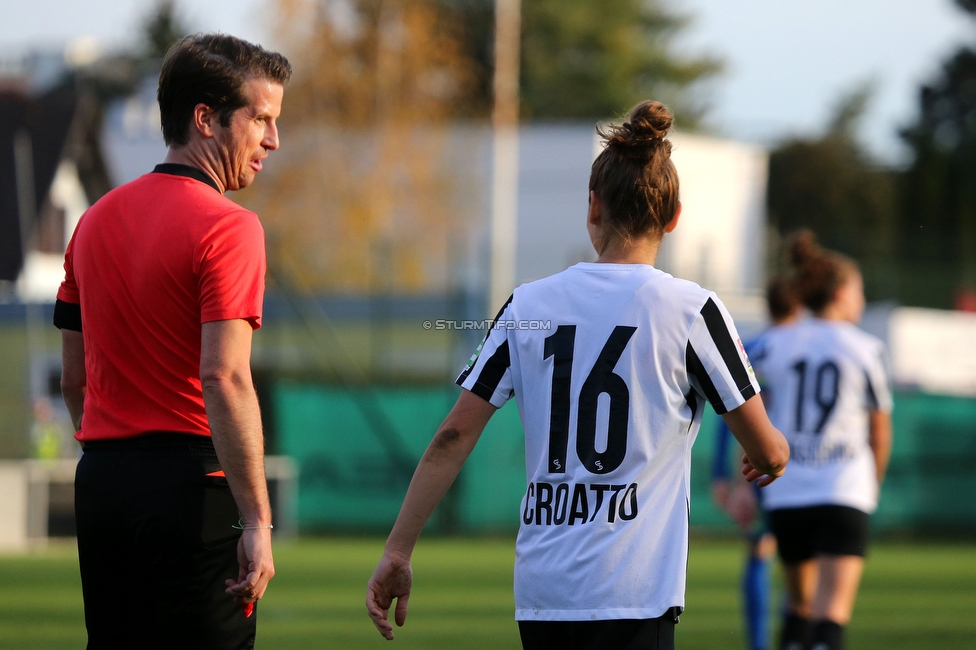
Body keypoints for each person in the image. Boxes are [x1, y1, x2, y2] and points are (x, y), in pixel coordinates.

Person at [366, 100, 790, 649]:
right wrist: (768, 451)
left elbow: (453, 435)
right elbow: (771, 452)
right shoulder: (693, 310)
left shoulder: (526, 305)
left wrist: (397, 551)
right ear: (675, 215)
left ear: (593, 207)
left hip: (545, 593)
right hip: (636, 590)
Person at [54, 34, 290, 649]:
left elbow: (74, 382)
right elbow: (226, 377)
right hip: (192, 491)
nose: (273, 140)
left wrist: (117, 460)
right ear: (205, 119)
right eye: (260, 119)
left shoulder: (92, 220)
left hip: (102, 483)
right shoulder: (230, 228)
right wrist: (258, 520)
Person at [750, 232, 893, 650]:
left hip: (787, 491)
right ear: (843, 292)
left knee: (799, 607)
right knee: (831, 615)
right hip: (844, 489)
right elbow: (879, 431)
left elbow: (739, 394)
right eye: (860, 290)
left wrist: (747, 456)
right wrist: (872, 485)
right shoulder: (866, 348)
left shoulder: (773, 342)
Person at [711, 276, 802, 650]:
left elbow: (727, 414)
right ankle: (796, 638)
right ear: (799, 307)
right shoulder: (806, 349)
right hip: (802, 468)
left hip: (753, 467)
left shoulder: (749, 350)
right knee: (800, 561)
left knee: (759, 551)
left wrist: (724, 476)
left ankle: (759, 644)